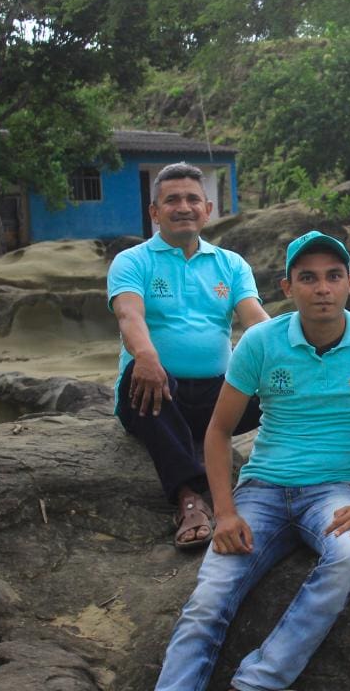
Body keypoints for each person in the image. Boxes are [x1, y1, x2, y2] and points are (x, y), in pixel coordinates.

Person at [155, 230, 350, 691]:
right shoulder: (260, 341)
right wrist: (224, 513)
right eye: (308, 278)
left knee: (349, 555)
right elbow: (218, 431)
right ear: (288, 288)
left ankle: (258, 681)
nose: (322, 288)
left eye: (333, 276)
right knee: (209, 598)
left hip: (335, 491)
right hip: (262, 491)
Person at [108, 162, 268, 550]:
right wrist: (145, 355)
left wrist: (295, 356)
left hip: (217, 396)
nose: (183, 207)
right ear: (154, 211)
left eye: (193, 199)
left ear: (207, 210)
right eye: (172, 200)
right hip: (156, 394)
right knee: (143, 379)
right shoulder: (133, 261)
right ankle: (190, 498)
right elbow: (129, 314)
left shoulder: (231, 264)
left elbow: (256, 322)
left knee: (280, 387)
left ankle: (292, 480)